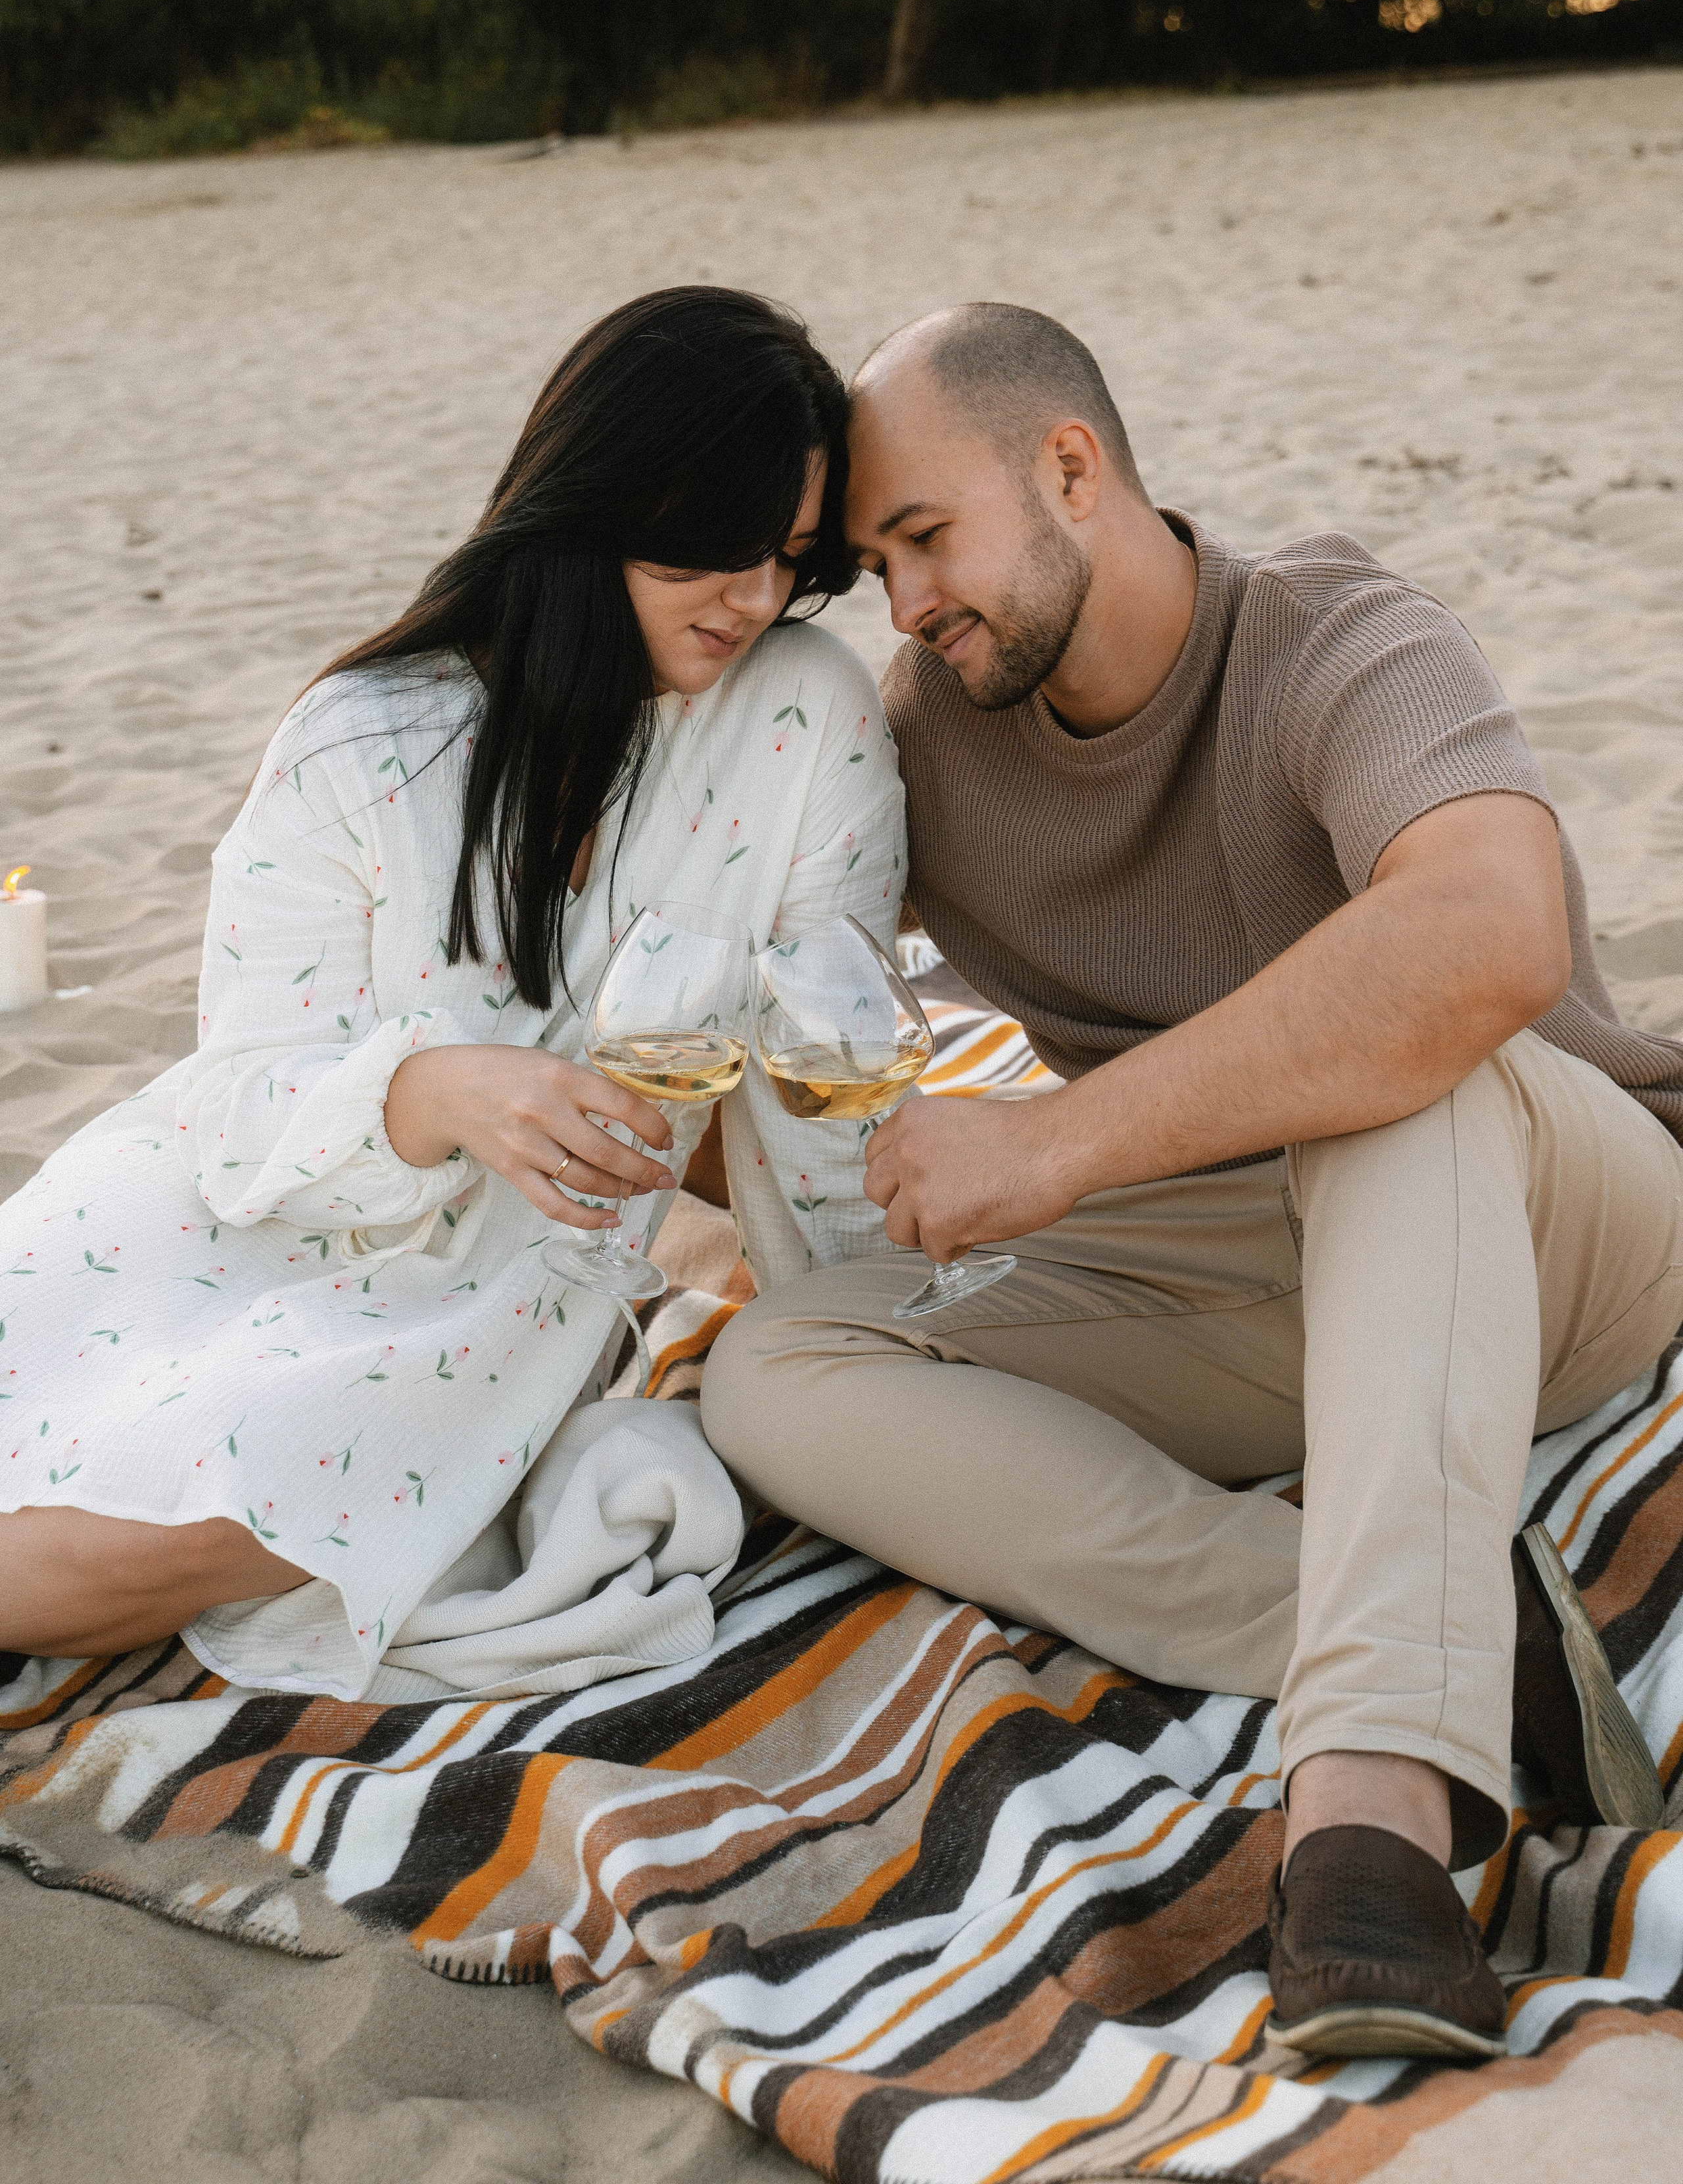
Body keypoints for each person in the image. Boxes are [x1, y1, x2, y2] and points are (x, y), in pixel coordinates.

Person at [702, 300, 1683, 2062]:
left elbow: (1490, 935)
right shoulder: (931, 734)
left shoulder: (1332, 639)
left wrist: (1053, 1145)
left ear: (1071, 469)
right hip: (1266, 1275)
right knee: (782, 1366)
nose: (906, 605)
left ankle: (1374, 1812)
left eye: (925, 540)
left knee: (1405, 1066)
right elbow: (756, 935)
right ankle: (1451, 1637)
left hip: (1563, 1232)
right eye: (874, 565)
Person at [0, 286, 904, 1701]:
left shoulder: (806, 719)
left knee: (101, 1561)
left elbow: (830, 1056)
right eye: (717, 550)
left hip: (488, 1297)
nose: (756, 598)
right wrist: (436, 1090)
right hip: (230, 1207)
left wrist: (843, 1329)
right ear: (602, 500)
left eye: (789, 559)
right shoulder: (362, 738)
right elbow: (240, 1106)